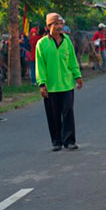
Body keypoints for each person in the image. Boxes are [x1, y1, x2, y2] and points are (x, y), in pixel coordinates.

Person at [36, 13, 83, 151]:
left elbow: (72, 60)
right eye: (55, 24)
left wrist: (77, 76)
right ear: (48, 26)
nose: (59, 26)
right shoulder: (42, 44)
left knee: (68, 111)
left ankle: (69, 141)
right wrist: (42, 83)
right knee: (53, 115)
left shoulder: (67, 40)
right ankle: (56, 141)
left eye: (61, 23)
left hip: (67, 84)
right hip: (50, 86)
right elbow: (40, 66)